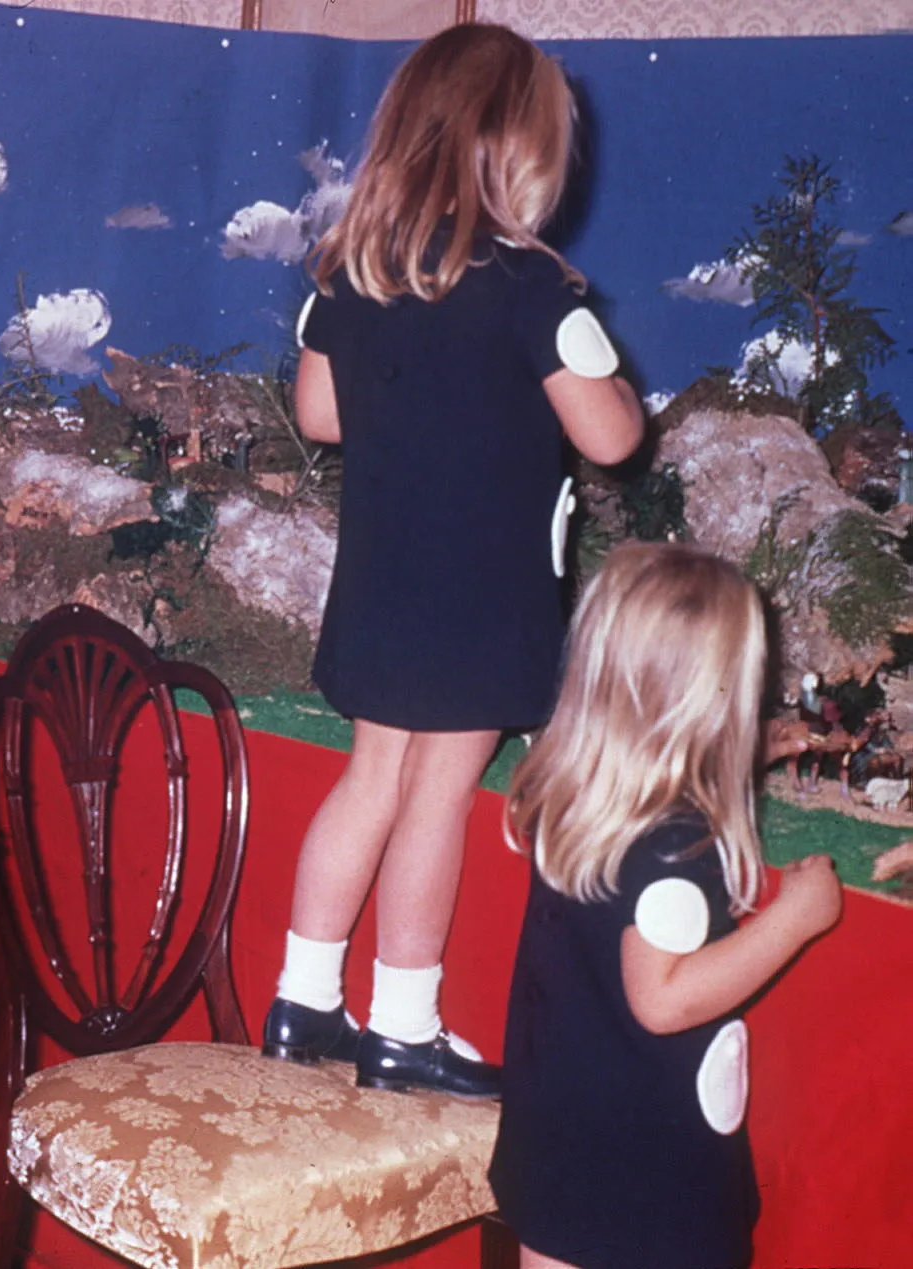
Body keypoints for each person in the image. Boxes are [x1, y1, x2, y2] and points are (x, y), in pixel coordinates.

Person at [262, 24, 645, 1097]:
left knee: (369, 776)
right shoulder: (532, 287)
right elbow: (611, 438)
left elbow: (317, 413)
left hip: (381, 579)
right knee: (434, 794)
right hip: (483, 591)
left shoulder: (353, 269)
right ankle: (401, 1025)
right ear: (523, 149)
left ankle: (299, 1004)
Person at [490, 543, 843, 1268]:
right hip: (647, 1174)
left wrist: (743, 756)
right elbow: (663, 997)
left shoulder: (576, 789)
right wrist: (796, 916)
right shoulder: (674, 842)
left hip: (562, 1139)